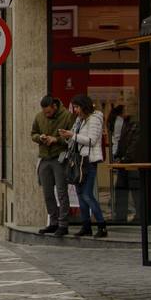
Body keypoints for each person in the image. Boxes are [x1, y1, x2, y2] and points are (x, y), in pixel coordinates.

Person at [59, 94, 107, 238]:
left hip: (89, 161)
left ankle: (101, 225)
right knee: (80, 195)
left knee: (87, 195)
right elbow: (75, 141)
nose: (76, 110)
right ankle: (86, 225)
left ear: (84, 106)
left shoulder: (94, 120)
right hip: (79, 160)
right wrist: (68, 137)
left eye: (78, 107)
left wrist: (73, 135)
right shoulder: (80, 121)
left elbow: (91, 140)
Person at [32, 95, 74, 236]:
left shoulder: (67, 116)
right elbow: (33, 134)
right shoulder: (39, 117)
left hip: (59, 157)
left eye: (49, 112)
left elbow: (72, 138)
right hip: (44, 157)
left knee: (62, 192)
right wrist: (40, 138)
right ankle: (53, 222)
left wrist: (57, 139)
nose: (47, 114)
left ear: (55, 106)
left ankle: (63, 224)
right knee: (47, 193)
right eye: (44, 112)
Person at [112, 98, 142, 222]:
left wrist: (125, 159)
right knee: (120, 189)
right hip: (124, 162)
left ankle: (140, 217)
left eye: (130, 106)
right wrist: (118, 156)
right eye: (126, 106)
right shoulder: (127, 121)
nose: (127, 109)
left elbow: (135, 145)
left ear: (136, 107)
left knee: (136, 191)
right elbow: (121, 140)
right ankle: (120, 217)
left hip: (134, 163)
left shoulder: (138, 122)